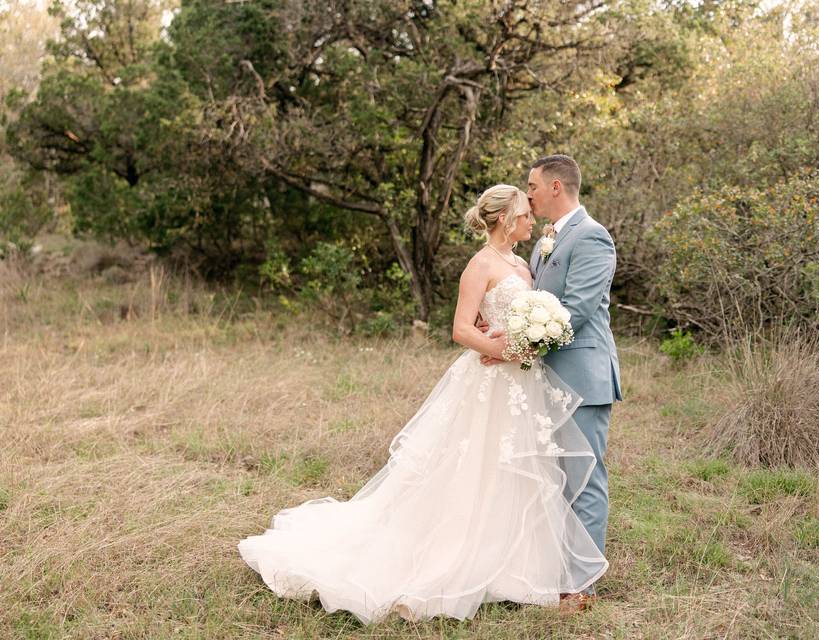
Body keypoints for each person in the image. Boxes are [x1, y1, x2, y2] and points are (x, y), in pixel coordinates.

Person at [238, 183, 608, 625]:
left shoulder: (523, 263)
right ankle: (459, 558)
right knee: (478, 470)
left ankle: (517, 568)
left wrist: (520, 345)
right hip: (490, 381)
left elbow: (520, 319)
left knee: (521, 471)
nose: (533, 219)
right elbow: (460, 329)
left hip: (522, 383)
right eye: (526, 213)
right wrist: (506, 350)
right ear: (508, 218)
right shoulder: (480, 265)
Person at [480, 154, 621, 611]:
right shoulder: (547, 240)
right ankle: (547, 572)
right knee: (552, 480)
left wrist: (515, 347)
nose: (530, 193)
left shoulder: (593, 237)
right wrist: (500, 334)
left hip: (583, 374)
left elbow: (575, 311)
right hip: (545, 378)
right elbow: (532, 304)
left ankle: (581, 587)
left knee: (585, 479)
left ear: (556, 187)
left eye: (533, 185)